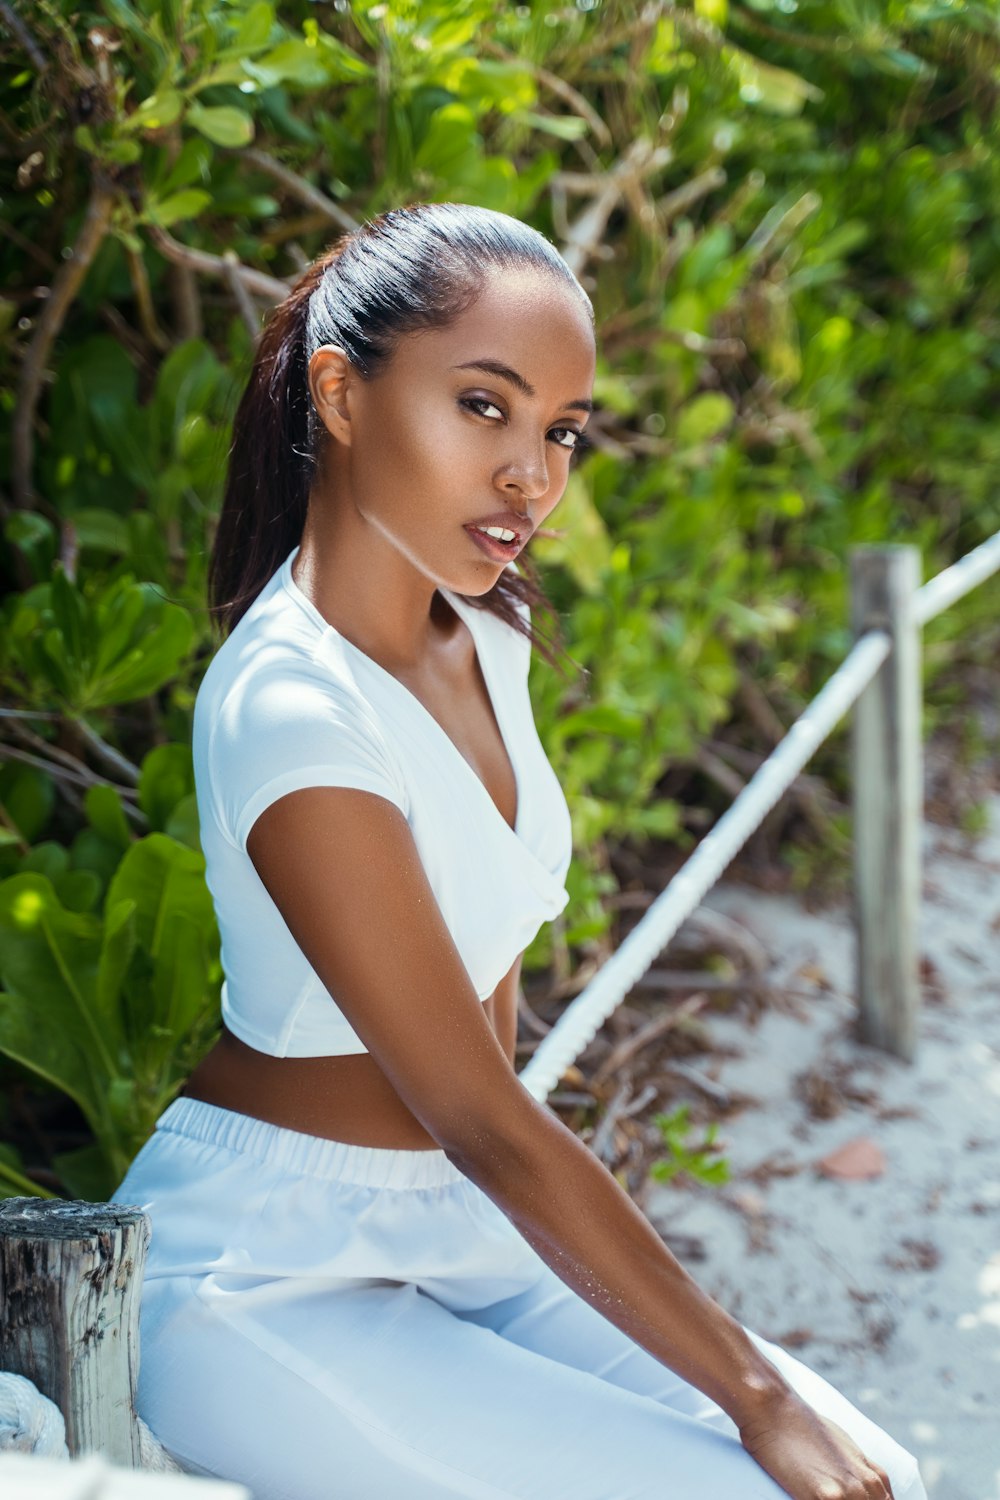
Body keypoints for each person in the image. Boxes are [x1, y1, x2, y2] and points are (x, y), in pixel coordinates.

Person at [109, 202, 926, 1500]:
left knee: (880, 1474)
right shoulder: (289, 709)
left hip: (455, 1219)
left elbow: (489, 1050)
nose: (533, 477)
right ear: (341, 394)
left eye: (560, 432)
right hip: (263, 1271)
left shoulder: (484, 637)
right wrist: (752, 1396)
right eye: (483, 407)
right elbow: (480, 1110)